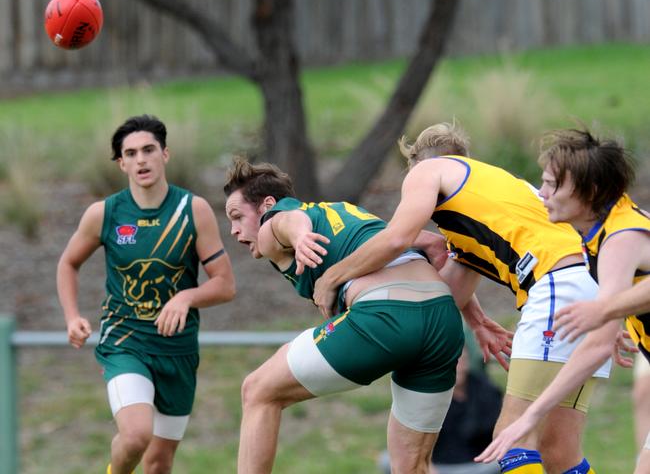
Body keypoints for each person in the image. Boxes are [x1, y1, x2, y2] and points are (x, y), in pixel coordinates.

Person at [313, 122, 612, 474]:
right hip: (591, 283)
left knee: (511, 439)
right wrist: (479, 321)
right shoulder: (492, 191)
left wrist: (332, 277)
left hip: (556, 284)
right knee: (559, 450)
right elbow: (444, 295)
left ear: (416, 163)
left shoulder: (427, 169)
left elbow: (398, 237)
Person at [223, 157, 510, 474]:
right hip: (443, 325)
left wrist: (301, 237)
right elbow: (439, 248)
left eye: (237, 217)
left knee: (258, 391)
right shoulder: (347, 214)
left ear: (267, 205)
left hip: (385, 316)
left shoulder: (278, 225)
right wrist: (477, 320)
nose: (234, 231)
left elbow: (285, 223)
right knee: (411, 466)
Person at [57, 115, 236, 474]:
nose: (141, 159)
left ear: (165, 154)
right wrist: (72, 315)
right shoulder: (105, 213)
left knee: (158, 463)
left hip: (178, 349)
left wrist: (186, 298)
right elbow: (68, 264)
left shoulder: (193, 210)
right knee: (137, 435)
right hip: (125, 341)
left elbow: (225, 284)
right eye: (131, 153)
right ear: (121, 163)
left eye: (149, 150)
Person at [475, 127, 650, 474]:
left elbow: (596, 346)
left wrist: (531, 417)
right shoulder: (598, 235)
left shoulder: (619, 238)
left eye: (553, 185)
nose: (541, 194)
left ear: (591, 191)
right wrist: (615, 316)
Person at [378, 344, 502, 474]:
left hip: (477, 465)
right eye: (449, 361)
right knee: (388, 460)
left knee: (504, 459)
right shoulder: (425, 393)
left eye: (460, 361)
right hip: (436, 467)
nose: (456, 367)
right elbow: (410, 441)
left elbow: (497, 431)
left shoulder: (485, 389)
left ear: (467, 363)